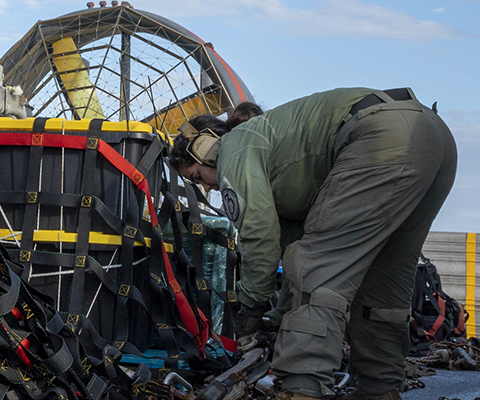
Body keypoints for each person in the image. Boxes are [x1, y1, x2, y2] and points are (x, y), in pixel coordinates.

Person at [169, 88, 456, 400]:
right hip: (434, 137)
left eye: (198, 176)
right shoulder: (282, 172)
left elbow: (261, 239)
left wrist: (250, 310)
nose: (208, 188)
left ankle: (301, 390)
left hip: (381, 138)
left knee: (319, 268)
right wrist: (277, 320)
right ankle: (379, 389)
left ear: (207, 148)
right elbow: (295, 255)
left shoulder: (234, 149)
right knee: (383, 281)